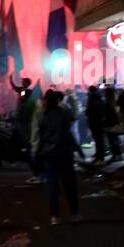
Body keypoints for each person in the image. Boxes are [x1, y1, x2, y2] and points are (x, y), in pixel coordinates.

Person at [36, 89, 81, 225]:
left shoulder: (42, 115)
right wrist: (69, 100)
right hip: (64, 153)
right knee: (69, 185)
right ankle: (74, 213)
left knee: (53, 186)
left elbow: (41, 136)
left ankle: (55, 216)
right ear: (57, 101)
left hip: (49, 155)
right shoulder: (64, 113)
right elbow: (73, 118)